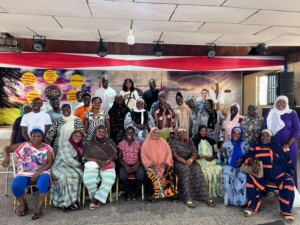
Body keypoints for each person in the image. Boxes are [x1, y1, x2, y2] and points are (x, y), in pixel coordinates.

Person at [243, 129, 295, 223]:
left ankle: (286, 211)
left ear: (271, 138)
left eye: (267, 136)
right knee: (250, 178)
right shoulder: (255, 147)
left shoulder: (278, 147)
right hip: (262, 173)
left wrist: (289, 169)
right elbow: (248, 157)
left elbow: (288, 160)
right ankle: (252, 207)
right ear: (260, 137)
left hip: (277, 172)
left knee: (288, 182)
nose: (264, 137)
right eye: (263, 135)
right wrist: (253, 163)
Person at [2, 128, 54, 220]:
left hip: (41, 171)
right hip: (25, 172)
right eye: (34, 136)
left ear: (42, 137)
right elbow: (7, 148)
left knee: (43, 181)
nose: (36, 138)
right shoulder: (24, 145)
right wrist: (6, 156)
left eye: (39, 136)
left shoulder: (47, 148)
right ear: (30, 136)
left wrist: (37, 173)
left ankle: (40, 206)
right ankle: (23, 205)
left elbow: (49, 163)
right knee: (16, 185)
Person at [170, 128, 214, 208]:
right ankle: (188, 198)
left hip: (190, 161)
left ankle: (205, 197)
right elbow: (175, 155)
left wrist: (190, 160)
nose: (182, 134)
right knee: (185, 170)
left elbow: (194, 153)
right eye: (180, 132)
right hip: (179, 162)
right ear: (178, 134)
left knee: (198, 171)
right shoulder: (174, 142)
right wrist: (184, 162)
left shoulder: (190, 142)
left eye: (184, 132)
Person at [263, 95, 300, 187]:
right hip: (273, 143)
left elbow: (297, 129)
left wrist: (288, 144)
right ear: (276, 102)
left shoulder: (291, 113)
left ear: (287, 104)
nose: (281, 104)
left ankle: (291, 187)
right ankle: (272, 188)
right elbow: (264, 128)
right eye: (279, 101)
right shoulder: (269, 112)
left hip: (290, 144)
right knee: (274, 164)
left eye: (284, 102)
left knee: (290, 164)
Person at [82, 125, 117, 210]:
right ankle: (99, 198)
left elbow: (114, 155)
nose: (101, 133)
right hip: (92, 163)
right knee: (88, 179)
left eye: (103, 132)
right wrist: (95, 160)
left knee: (109, 178)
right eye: (99, 131)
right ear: (95, 132)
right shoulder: (89, 143)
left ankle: (95, 200)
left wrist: (107, 161)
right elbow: (84, 157)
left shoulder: (110, 142)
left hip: (107, 163)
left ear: (106, 133)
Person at [141, 127, 176, 203]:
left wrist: (167, 162)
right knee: (150, 174)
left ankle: (170, 194)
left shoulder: (163, 141)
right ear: (150, 133)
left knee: (170, 171)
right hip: (152, 166)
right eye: (153, 132)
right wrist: (150, 163)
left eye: (157, 133)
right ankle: (151, 196)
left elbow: (169, 153)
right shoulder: (146, 143)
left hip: (163, 165)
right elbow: (143, 156)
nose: (155, 134)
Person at [51, 130, 84, 210]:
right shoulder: (66, 144)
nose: (77, 137)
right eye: (75, 135)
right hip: (59, 166)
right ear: (71, 136)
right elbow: (67, 159)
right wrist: (80, 165)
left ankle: (74, 201)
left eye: (79, 136)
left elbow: (83, 158)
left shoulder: (80, 147)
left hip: (72, 167)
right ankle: (65, 202)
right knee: (66, 176)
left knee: (78, 174)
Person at [219, 127, 249, 206]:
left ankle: (240, 202)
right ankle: (229, 200)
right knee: (226, 176)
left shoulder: (245, 144)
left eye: (239, 134)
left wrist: (242, 160)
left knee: (243, 177)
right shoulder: (226, 144)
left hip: (241, 167)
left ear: (241, 135)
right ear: (231, 134)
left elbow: (249, 156)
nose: (236, 135)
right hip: (229, 166)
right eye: (234, 133)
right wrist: (221, 153)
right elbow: (222, 159)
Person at [193, 125, 222, 198]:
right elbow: (194, 153)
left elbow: (216, 151)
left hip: (211, 159)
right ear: (199, 131)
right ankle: (204, 192)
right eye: (202, 131)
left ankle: (214, 191)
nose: (203, 132)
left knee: (218, 169)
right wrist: (203, 157)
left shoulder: (212, 141)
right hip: (200, 159)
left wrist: (212, 157)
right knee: (205, 171)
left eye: (205, 131)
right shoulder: (194, 140)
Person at [118, 127, 145, 201]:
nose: (129, 134)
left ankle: (135, 193)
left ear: (134, 134)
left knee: (141, 176)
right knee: (122, 176)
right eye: (127, 132)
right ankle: (128, 192)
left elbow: (141, 156)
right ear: (125, 133)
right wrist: (125, 166)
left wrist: (137, 165)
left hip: (137, 164)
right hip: (125, 165)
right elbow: (119, 158)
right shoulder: (121, 144)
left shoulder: (138, 143)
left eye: (131, 132)